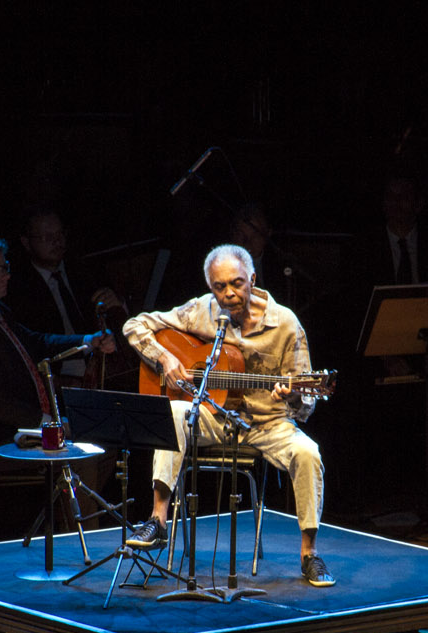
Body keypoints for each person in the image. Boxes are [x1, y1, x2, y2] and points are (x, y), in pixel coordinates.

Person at [121, 243, 334, 587]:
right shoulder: (201, 310)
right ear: (211, 287)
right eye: (220, 287)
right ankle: (158, 521)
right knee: (173, 411)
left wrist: (294, 394)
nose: (229, 294)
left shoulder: (285, 324)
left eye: (237, 283)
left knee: (309, 453)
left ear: (252, 279)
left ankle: (309, 553)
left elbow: (306, 405)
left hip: (268, 423)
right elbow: (134, 326)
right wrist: (165, 358)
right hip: (214, 416)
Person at [0, 234, 115, 472]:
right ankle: (64, 496)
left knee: (107, 440)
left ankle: (65, 496)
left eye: (6, 267)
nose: (6, 276)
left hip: (18, 427)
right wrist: (51, 423)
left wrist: (88, 341)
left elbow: (35, 342)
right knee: (91, 456)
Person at [8, 207, 128, 388]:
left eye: (60, 234)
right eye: (47, 237)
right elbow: (34, 344)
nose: (57, 242)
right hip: (60, 377)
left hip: (106, 368)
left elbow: (116, 317)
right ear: (26, 242)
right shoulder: (19, 288)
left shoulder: (84, 269)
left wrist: (118, 304)